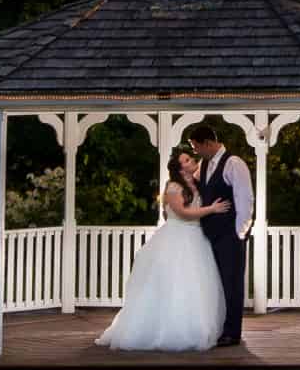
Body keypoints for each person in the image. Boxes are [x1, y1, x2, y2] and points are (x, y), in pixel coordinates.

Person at [92, 147, 229, 351]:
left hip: (196, 238)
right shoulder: (174, 186)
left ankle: (193, 328)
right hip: (177, 237)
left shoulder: (196, 183)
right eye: (187, 160)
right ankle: (160, 330)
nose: (192, 161)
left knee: (195, 285)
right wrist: (212, 209)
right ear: (180, 168)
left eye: (191, 158)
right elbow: (182, 212)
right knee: (172, 284)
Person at [186, 123, 252, 346]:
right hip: (208, 235)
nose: (196, 152)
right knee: (215, 284)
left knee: (232, 283)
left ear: (208, 143)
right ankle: (219, 327)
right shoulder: (204, 165)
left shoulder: (234, 163)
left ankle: (233, 332)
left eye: (196, 147)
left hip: (229, 235)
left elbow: (245, 200)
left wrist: (239, 233)